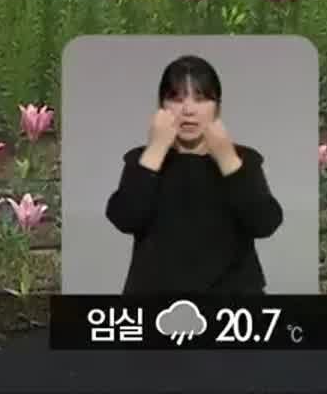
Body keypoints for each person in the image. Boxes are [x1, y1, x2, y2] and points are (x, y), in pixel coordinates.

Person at [104, 55, 283, 294]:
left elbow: (264, 223)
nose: (188, 110)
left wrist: (227, 158)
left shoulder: (243, 160)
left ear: (217, 107)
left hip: (234, 304)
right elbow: (125, 218)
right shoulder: (144, 160)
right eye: (176, 99)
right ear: (161, 107)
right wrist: (155, 149)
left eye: (200, 99)